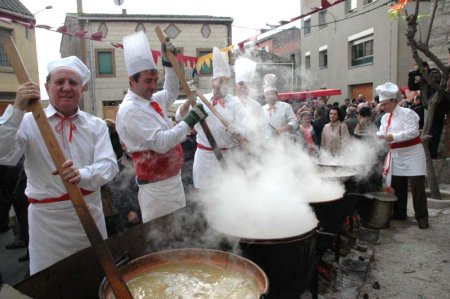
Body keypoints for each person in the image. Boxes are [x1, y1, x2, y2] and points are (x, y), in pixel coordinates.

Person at [0, 56, 119, 274]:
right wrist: (16, 109)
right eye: (60, 82)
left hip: (90, 215)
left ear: (82, 89)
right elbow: (3, 155)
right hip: (47, 223)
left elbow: (109, 166)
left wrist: (82, 174)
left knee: (94, 277)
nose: (66, 88)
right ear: (47, 87)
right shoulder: (27, 123)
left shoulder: (96, 125)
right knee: (51, 282)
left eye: (73, 83)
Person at [116, 31, 207, 223]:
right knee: (164, 242)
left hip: (173, 181)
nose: (152, 86)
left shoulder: (150, 100)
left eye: (154, 80)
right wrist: (190, 120)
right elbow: (161, 143)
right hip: (156, 190)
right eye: (147, 81)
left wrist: (168, 64)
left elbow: (172, 92)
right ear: (131, 81)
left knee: (179, 234)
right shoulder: (130, 111)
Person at [176, 47, 243, 190]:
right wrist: (189, 100)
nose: (222, 84)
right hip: (205, 158)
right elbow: (180, 116)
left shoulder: (236, 103)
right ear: (213, 81)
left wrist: (238, 130)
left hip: (230, 158)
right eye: (219, 80)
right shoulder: (201, 100)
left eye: (226, 81)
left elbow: (248, 128)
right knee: (205, 200)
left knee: (230, 197)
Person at [375, 82, 428, 229]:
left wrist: (393, 137)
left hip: (412, 154)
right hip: (397, 155)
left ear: (393, 101)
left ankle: (422, 217)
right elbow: (382, 132)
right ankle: (399, 213)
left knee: (417, 188)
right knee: (398, 186)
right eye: (381, 104)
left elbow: (413, 132)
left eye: (385, 104)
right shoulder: (385, 118)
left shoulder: (408, 113)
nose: (383, 107)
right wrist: (376, 136)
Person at [234, 57, 270, 144]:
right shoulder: (230, 104)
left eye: (246, 85)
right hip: (234, 148)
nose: (244, 87)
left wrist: (266, 141)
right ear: (235, 86)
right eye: (241, 84)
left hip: (254, 147)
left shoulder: (256, 106)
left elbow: (264, 127)